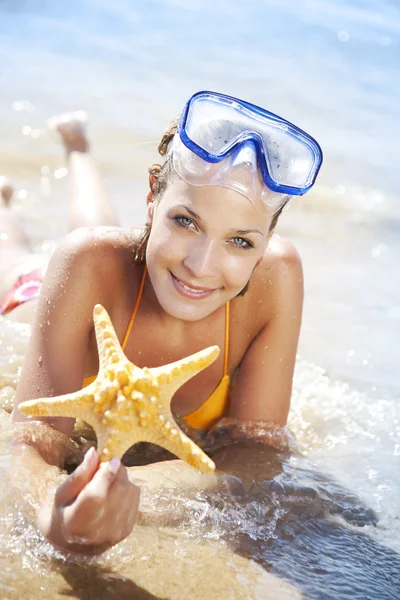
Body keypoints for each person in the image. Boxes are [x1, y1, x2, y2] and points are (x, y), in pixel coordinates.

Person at [5, 91, 323, 555]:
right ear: (152, 195)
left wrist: (131, 493)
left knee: (106, 236)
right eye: (185, 221)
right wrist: (51, 509)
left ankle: (78, 144)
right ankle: (17, 192)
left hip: (130, 260)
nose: (201, 266)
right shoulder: (85, 261)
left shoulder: (278, 277)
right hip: (35, 294)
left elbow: (259, 449)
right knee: (19, 252)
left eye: (240, 241)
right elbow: (31, 442)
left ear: (268, 238)